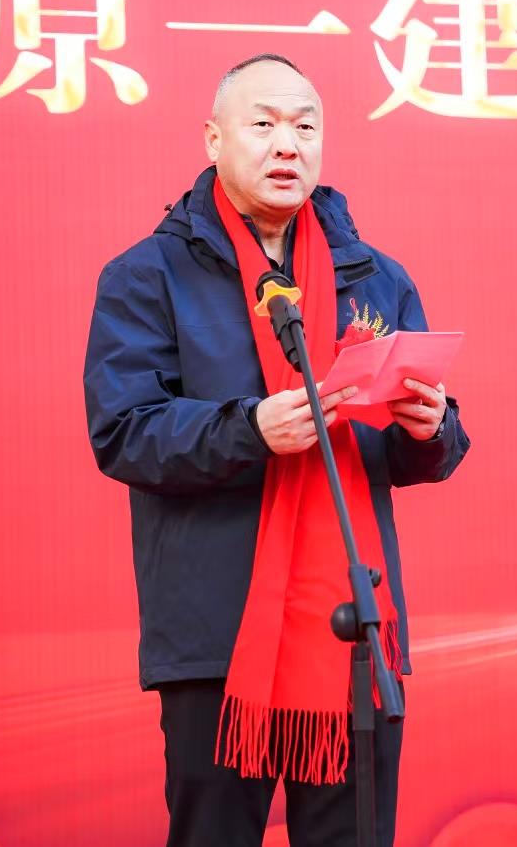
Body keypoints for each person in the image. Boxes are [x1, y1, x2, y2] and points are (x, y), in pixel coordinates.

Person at [83, 53, 470, 846]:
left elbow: (411, 453)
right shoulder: (149, 276)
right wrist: (249, 429)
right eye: (263, 124)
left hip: (350, 633)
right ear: (214, 138)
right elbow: (123, 431)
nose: (287, 144)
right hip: (221, 640)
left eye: (305, 125)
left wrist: (431, 427)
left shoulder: (375, 277)